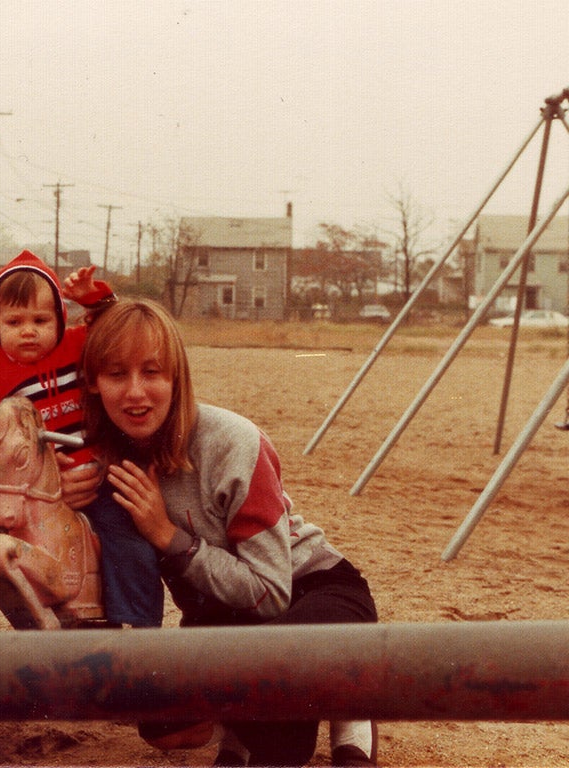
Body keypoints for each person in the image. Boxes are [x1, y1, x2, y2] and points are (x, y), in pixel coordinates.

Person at [77, 299, 379, 767]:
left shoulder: (235, 441)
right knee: (162, 721)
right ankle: (247, 725)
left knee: (281, 722)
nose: (136, 393)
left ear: (178, 378)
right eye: (117, 375)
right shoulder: (98, 456)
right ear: (94, 383)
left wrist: (166, 535)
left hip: (309, 589)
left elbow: (271, 592)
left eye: (152, 372)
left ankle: (349, 711)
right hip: (224, 611)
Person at [0, 250, 164, 627]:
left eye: (41, 319)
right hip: (37, 487)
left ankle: (137, 624)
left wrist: (92, 296)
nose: (28, 330)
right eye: (14, 321)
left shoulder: (75, 346)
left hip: (100, 475)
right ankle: (35, 611)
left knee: (128, 544)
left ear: (60, 318)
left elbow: (112, 326)